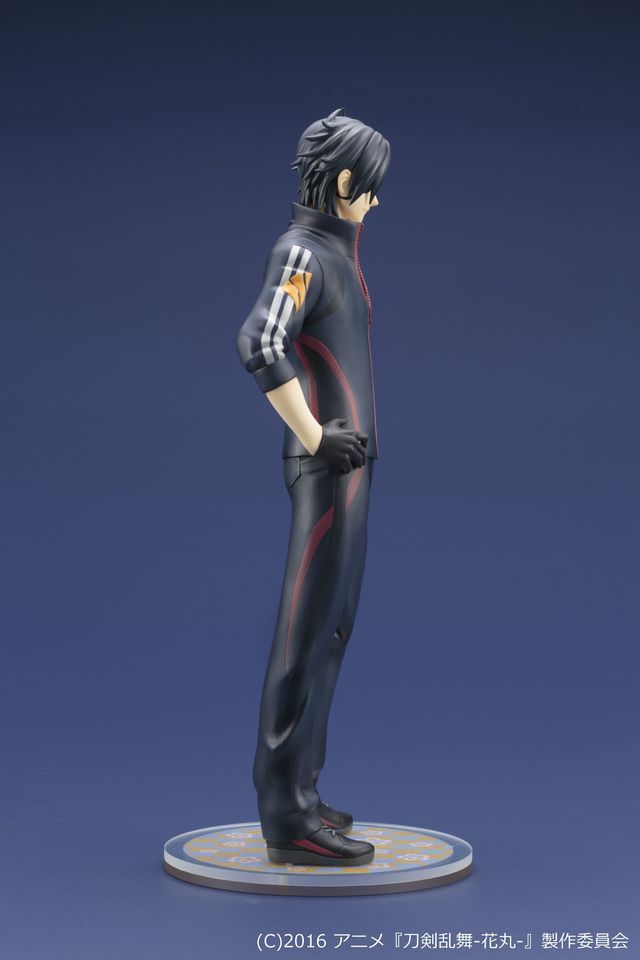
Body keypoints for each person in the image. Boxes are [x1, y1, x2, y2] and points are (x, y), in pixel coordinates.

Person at [236, 108, 390, 866]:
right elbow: (260, 340)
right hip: (327, 470)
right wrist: (316, 435)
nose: (378, 201)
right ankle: (286, 814)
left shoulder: (332, 251)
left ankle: (303, 788)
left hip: (348, 469)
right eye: (373, 186)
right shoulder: (303, 251)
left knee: (332, 629)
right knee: (305, 633)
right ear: (344, 180)